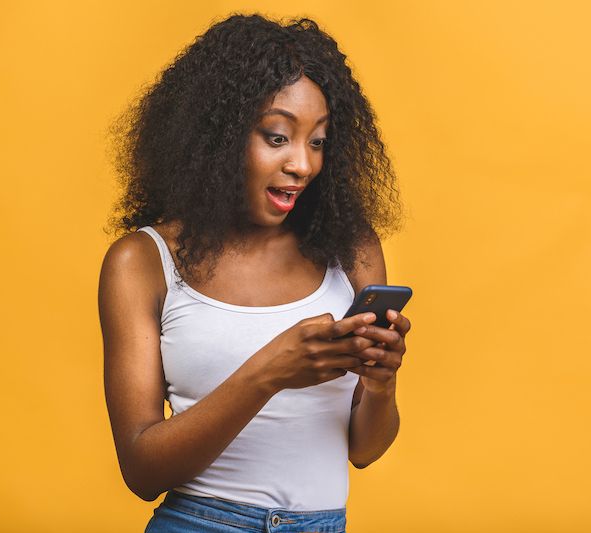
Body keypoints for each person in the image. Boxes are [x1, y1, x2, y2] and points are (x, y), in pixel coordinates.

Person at [98, 12, 412, 533]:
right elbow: (141, 469)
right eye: (277, 137)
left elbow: (364, 450)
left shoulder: (349, 249)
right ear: (217, 138)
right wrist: (266, 374)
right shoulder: (143, 261)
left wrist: (380, 385)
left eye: (318, 141)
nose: (303, 165)